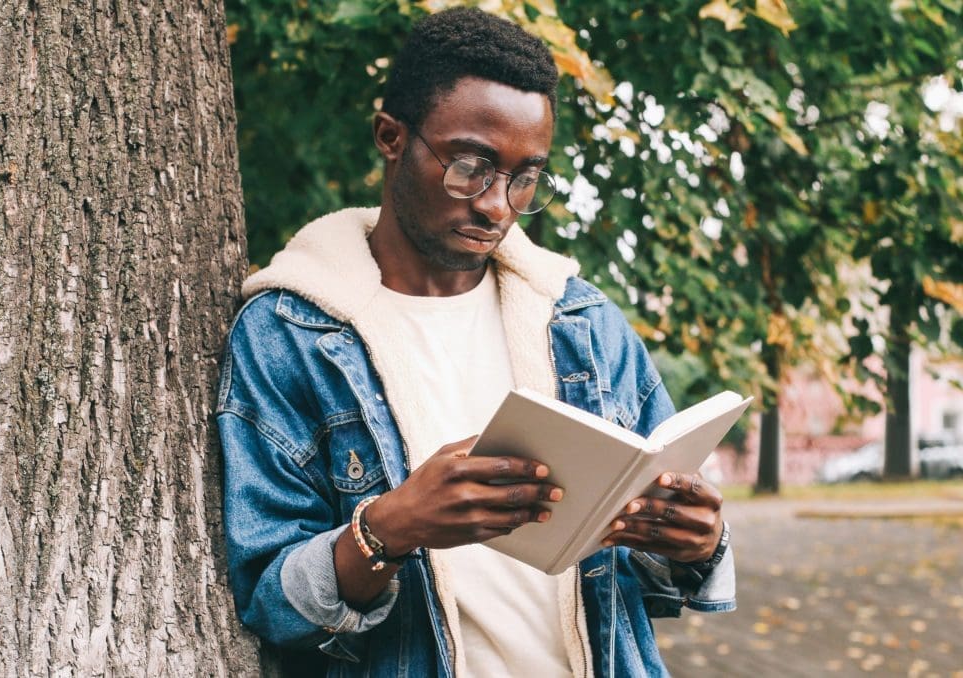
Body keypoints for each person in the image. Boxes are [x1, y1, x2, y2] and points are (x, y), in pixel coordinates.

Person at [217, 7, 735, 677]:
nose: (496, 205)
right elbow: (267, 597)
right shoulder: (288, 334)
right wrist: (387, 530)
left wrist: (700, 545)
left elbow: (656, 580)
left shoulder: (582, 323)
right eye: (471, 167)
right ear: (391, 137)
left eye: (525, 178)